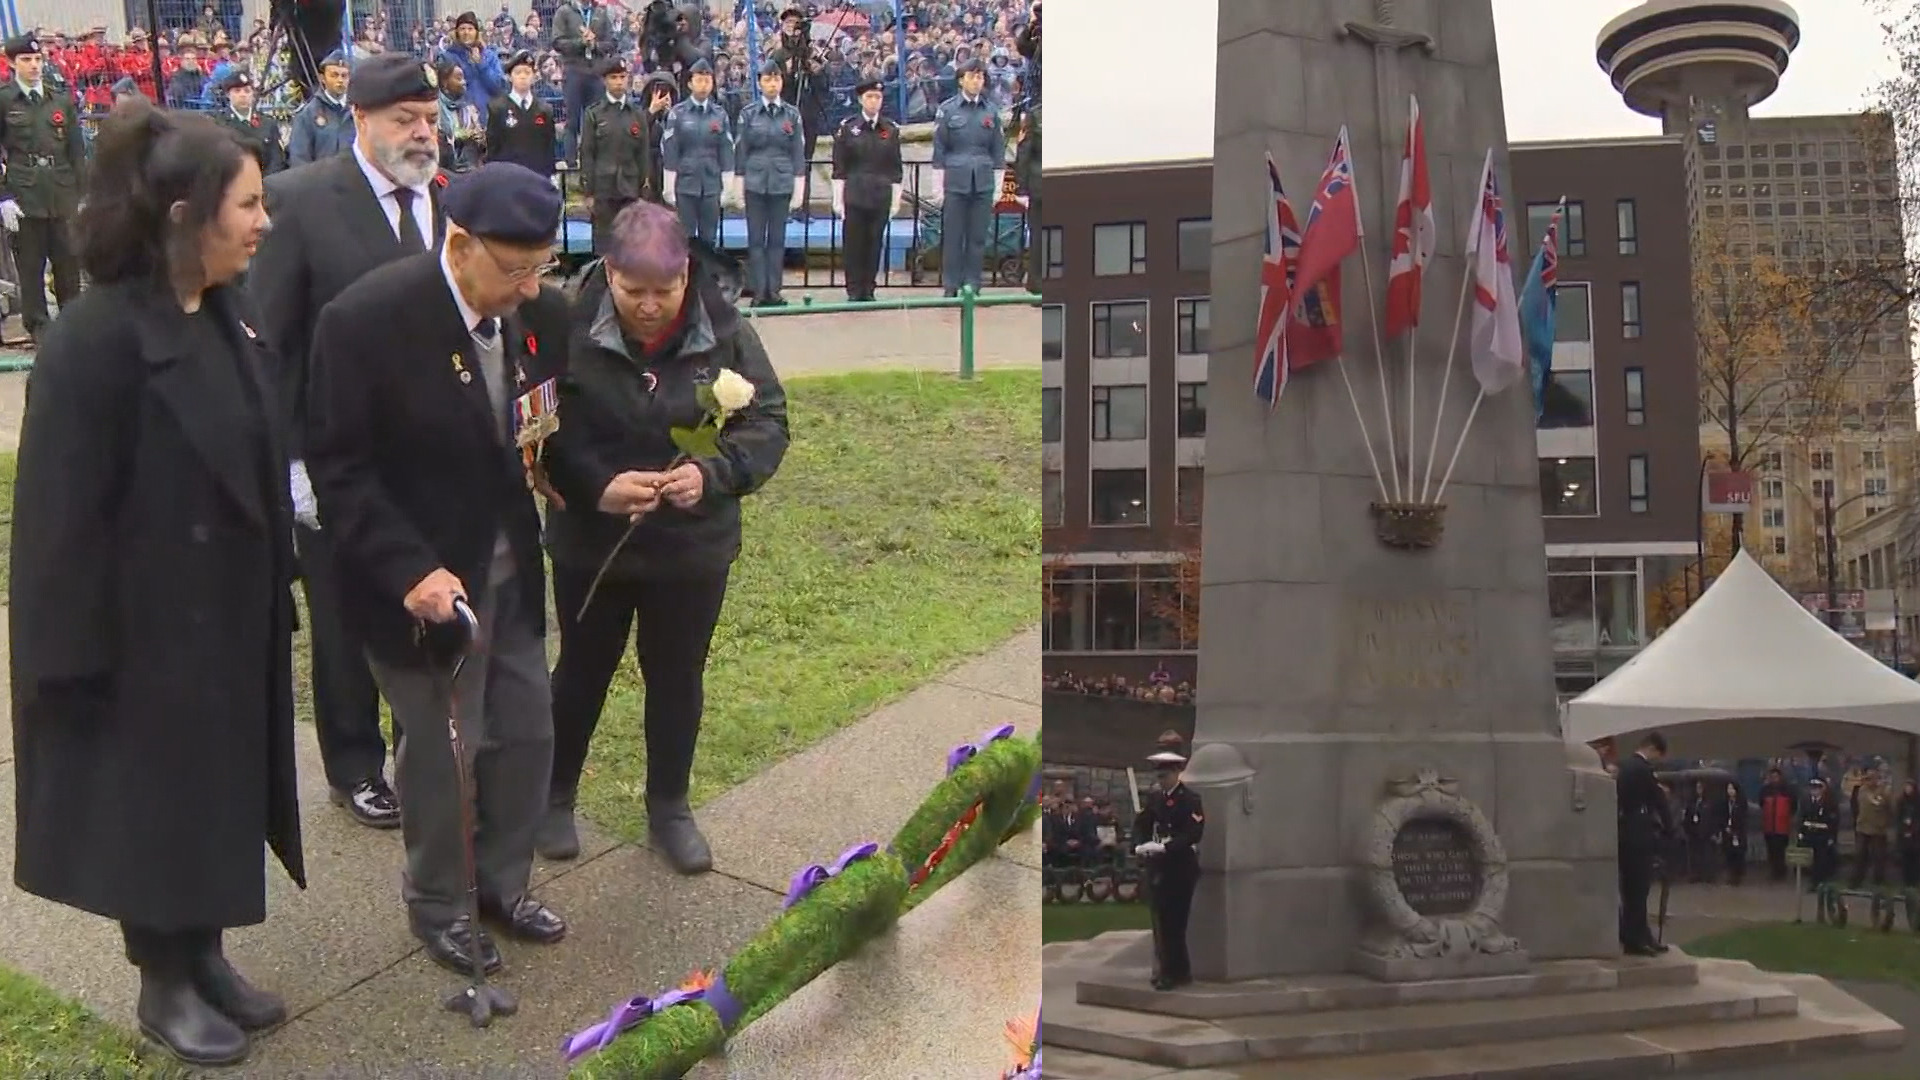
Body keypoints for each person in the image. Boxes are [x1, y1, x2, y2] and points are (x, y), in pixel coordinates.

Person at [10, 97, 299, 1069]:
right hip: (138, 641)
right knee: (155, 808)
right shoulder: (93, 342)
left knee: (218, 798)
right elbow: (57, 522)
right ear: (183, 214)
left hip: (225, 623)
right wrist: (67, 662)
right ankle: (162, 979)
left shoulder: (228, 310)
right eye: (247, 204)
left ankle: (206, 954)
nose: (265, 222)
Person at [303, 162, 572, 975]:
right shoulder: (368, 320)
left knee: (526, 734)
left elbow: (547, 426)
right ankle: (439, 905)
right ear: (460, 244)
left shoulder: (540, 317)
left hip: (509, 569)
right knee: (444, 755)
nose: (530, 288)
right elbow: (339, 470)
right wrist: (409, 567)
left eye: (543, 266)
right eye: (515, 269)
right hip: (417, 588)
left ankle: (500, 883)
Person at [534, 201, 789, 869]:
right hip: (594, 541)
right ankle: (554, 797)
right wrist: (596, 487)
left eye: (664, 291)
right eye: (632, 291)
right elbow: (541, 426)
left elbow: (766, 421)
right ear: (607, 273)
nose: (649, 307)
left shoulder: (725, 328)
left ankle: (669, 806)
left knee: (677, 676)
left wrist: (713, 473)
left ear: (686, 277)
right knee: (582, 669)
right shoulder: (564, 323)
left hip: (691, 543)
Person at [250, 52, 451, 831]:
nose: (423, 135)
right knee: (342, 621)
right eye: (405, 121)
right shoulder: (299, 202)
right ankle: (353, 764)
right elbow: (272, 342)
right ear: (359, 119)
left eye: (431, 120)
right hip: (334, 460)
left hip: (427, 459)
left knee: (422, 603)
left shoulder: (445, 200)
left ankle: (419, 746)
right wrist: (292, 462)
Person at [0, 35, 85, 349]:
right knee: (31, 264)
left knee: (67, 263)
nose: (34, 66)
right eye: (26, 60)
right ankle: (38, 326)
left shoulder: (59, 100)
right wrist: (3, 196)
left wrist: (82, 194)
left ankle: (72, 322)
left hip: (61, 190)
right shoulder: (6, 100)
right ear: (12, 63)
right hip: (24, 193)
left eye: (37, 60)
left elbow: (76, 151)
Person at [732, 62, 806, 308]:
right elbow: (741, 152)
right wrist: (738, 185)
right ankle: (759, 291)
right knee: (755, 240)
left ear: (781, 83)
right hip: (754, 182)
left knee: (777, 240)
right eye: (767, 80)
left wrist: (799, 186)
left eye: (776, 80)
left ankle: (774, 291)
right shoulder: (749, 114)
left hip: (782, 182)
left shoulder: (792, 115)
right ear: (759, 83)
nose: (772, 84)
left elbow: (797, 152)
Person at [579, 55, 669, 254]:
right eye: (613, 78)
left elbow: (642, 154)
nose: (619, 82)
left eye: (622, 77)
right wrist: (588, 191)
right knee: (603, 245)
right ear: (605, 81)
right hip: (603, 189)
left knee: (630, 244)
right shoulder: (594, 114)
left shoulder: (636, 115)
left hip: (629, 189)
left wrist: (643, 188)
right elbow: (587, 153)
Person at [931, 57, 1004, 298]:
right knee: (953, 237)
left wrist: (998, 186)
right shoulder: (948, 109)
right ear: (961, 80)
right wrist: (938, 187)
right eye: (972, 77)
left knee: (977, 237)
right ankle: (951, 284)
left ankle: (972, 284)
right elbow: (939, 150)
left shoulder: (991, 111)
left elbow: (998, 151)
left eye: (980, 77)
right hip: (955, 180)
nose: (977, 81)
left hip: (982, 181)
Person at [1133, 744, 1203, 990]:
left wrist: (1168, 847)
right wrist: (1140, 844)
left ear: (1176, 773)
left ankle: (1175, 971)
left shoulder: (1190, 800)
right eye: (1158, 776)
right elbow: (1142, 823)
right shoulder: (1155, 799)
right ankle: (1169, 969)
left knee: (1175, 922)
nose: (1161, 781)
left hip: (1181, 867)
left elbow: (1193, 833)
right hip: (1159, 866)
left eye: (1164, 776)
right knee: (1160, 921)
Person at [829, 78, 903, 303]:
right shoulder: (848, 128)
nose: (874, 101)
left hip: (880, 195)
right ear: (861, 99)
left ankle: (869, 288)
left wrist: (896, 199)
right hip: (855, 193)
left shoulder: (889, 130)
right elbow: (839, 167)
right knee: (854, 244)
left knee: (874, 243)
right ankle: (854, 289)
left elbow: (895, 169)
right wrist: (838, 199)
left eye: (878, 97)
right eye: (870, 97)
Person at [660, 59, 732, 249]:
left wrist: (728, 184)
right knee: (685, 239)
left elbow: (726, 149)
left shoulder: (720, 114)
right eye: (699, 80)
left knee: (709, 239)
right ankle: (688, 278)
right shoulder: (678, 113)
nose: (703, 85)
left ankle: (707, 278)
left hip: (711, 184)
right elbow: (671, 149)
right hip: (686, 184)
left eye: (707, 81)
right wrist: (669, 185)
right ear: (690, 84)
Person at [1615, 731, 1672, 956]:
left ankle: (1639, 935)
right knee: (1639, 890)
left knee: (1630, 891)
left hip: (1625, 832)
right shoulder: (1643, 770)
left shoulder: (1624, 767)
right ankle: (1637, 938)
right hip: (1640, 835)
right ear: (1652, 749)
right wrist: (1669, 827)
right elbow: (1658, 801)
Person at [486, 51, 557, 179]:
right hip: (508, 178)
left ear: (535, 76)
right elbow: (493, 148)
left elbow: (549, 148)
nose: (523, 77)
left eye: (527, 72)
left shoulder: (544, 109)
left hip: (537, 177)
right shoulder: (497, 108)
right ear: (509, 77)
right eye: (518, 73)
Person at [287, 52, 354, 167]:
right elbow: (299, 158)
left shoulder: (357, 110)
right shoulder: (308, 114)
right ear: (322, 78)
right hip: (321, 181)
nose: (340, 80)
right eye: (334, 75)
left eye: (344, 76)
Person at [215, 69, 284, 175]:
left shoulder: (268, 123)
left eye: (247, 91)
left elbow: (276, 160)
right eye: (237, 91)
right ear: (228, 95)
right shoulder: (218, 123)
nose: (243, 95)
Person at [438, 10, 508, 114]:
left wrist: (481, 64)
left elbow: (498, 87)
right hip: (461, 114)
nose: (466, 33)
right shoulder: (448, 56)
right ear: (456, 32)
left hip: (489, 114)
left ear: (476, 32)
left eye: (470, 29)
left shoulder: (489, 56)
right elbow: (446, 89)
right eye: (462, 29)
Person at [434, 58, 487, 174]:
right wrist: (465, 135)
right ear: (444, 82)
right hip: (443, 170)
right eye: (458, 78)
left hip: (469, 170)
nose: (464, 82)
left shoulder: (469, 109)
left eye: (463, 78)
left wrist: (481, 139)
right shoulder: (435, 109)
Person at [1015, 100, 1040, 294]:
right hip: (1040, 186)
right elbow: (1024, 152)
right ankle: (1037, 285)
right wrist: (1021, 189)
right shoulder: (1034, 115)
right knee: (1039, 238)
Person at [1800, 778, 1841, 890]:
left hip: (1823, 835)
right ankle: (1814, 880)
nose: (1815, 790)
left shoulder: (1829, 802)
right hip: (1810, 834)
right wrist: (1801, 832)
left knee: (1822, 859)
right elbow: (1801, 817)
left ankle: (1820, 881)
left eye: (1817, 788)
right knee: (1811, 859)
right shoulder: (1806, 801)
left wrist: (1832, 837)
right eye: (1813, 788)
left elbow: (1834, 821)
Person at [1759, 767, 1796, 882]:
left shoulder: (1787, 790)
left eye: (1776, 776)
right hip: (1769, 826)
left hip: (1782, 827)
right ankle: (1774, 872)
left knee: (1781, 850)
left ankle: (1781, 872)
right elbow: (1761, 803)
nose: (1774, 779)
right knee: (1771, 850)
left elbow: (1793, 806)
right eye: (1772, 776)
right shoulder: (1765, 790)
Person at [1720, 781, 1748, 886]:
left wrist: (1735, 829)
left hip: (1738, 832)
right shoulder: (1725, 803)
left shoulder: (1741, 803)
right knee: (1729, 853)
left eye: (1732, 789)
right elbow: (1722, 816)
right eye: (1728, 789)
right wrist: (1725, 827)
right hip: (1727, 831)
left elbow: (1743, 818)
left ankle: (1738, 875)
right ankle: (1730, 874)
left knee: (1738, 854)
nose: (1730, 791)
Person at [1897, 778, 1920, 887]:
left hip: (1916, 835)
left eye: (1910, 787)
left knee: (1915, 857)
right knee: (1905, 857)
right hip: (1904, 833)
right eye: (1906, 787)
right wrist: (1903, 830)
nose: (1908, 789)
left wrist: (1913, 830)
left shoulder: (1917, 801)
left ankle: (1915, 880)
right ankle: (1906, 881)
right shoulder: (1901, 801)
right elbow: (1898, 817)